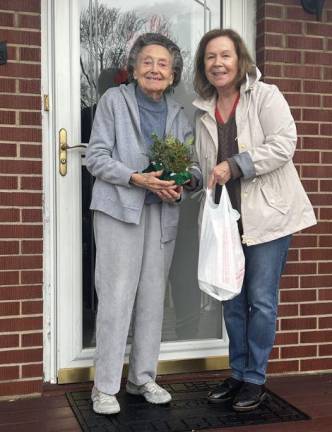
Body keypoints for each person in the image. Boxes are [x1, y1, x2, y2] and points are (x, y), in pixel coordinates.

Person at [192, 28, 316, 412]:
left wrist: (236, 164)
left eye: (225, 55)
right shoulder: (203, 112)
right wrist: (192, 178)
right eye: (210, 57)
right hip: (227, 221)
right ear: (204, 66)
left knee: (261, 300)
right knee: (232, 299)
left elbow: (284, 143)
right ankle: (237, 371)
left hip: (269, 217)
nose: (218, 63)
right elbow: (204, 165)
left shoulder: (265, 95)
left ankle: (255, 379)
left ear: (239, 59)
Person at [85, 33, 200, 415]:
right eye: (147, 62)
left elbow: (192, 166)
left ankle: (142, 378)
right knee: (117, 296)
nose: (154, 69)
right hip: (120, 209)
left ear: (172, 74)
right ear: (134, 68)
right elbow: (95, 157)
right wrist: (137, 178)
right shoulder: (113, 102)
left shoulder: (179, 114)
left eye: (163, 64)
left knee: (152, 297)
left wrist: (180, 186)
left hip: (161, 213)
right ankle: (104, 387)